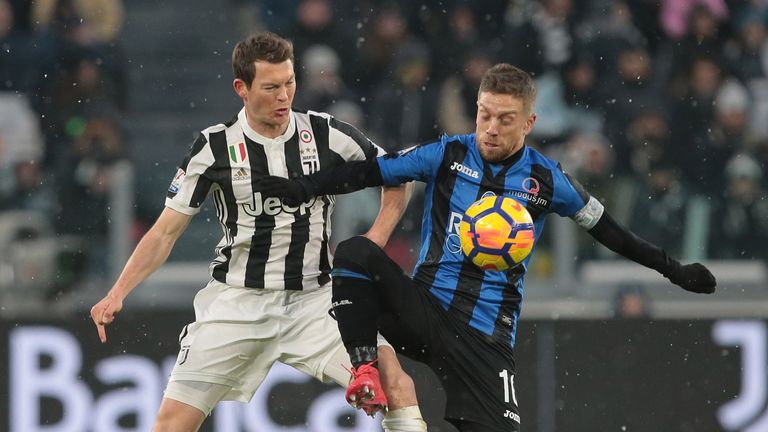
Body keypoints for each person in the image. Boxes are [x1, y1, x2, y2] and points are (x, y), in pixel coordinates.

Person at [255, 63, 718, 431]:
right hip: (424, 313)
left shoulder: (546, 180)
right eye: (484, 115)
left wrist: (673, 270)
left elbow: (611, 232)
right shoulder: (448, 153)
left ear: (529, 123)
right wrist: (303, 187)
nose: (490, 128)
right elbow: (369, 173)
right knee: (356, 252)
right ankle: (363, 370)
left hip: (487, 339)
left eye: (505, 119)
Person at [89, 32, 427, 432]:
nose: (284, 96)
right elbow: (165, 233)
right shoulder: (214, 148)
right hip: (238, 304)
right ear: (242, 89)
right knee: (170, 424)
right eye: (271, 87)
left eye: (289, 83)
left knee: (397, 385)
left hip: (317, 300)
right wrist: (117, 292)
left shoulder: (327, 134)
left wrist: (375, 241)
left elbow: (397, 174)